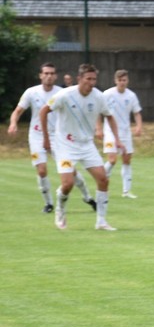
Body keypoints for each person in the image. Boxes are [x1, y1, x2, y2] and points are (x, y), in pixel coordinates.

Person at [38, 63, 122, 231]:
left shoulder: (99, 97)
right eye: (88, 79)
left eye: (94, 79)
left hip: (86, 145)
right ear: (79, 79)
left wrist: (117, 139)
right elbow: (43, 111)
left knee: (103, 179)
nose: (91, 82)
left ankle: (101, 221)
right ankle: (60, 210)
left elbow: (110, 117)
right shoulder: (65, 95)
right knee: (68, 184)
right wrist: (46, 139)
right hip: (65, 146)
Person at [7, 62, 97, 214]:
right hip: (36, 136)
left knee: (71, 171)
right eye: (46, 73)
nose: (49, 76)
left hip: (58, 137)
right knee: (42, 171)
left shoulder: (62, 93)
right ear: (40, 75)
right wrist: (13, 123)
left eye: (51, 74)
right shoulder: (31, 92)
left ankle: (87, 197)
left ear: (55, 76)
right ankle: (48, 204)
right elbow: (17, 111)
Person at [98, 69, 143, 198]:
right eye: (120, 80)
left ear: (127, 81)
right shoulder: (107, 94)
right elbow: (98, 111)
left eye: (124, 80)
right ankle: (101, 181)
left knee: (127, 160)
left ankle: (126, 191)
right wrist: (99, 128)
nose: (122, 83)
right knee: (112, 160)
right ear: (115, 81)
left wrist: (139, 126)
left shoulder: (131, 95)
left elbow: (137, 112)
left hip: (125, 132)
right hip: (110, 132)